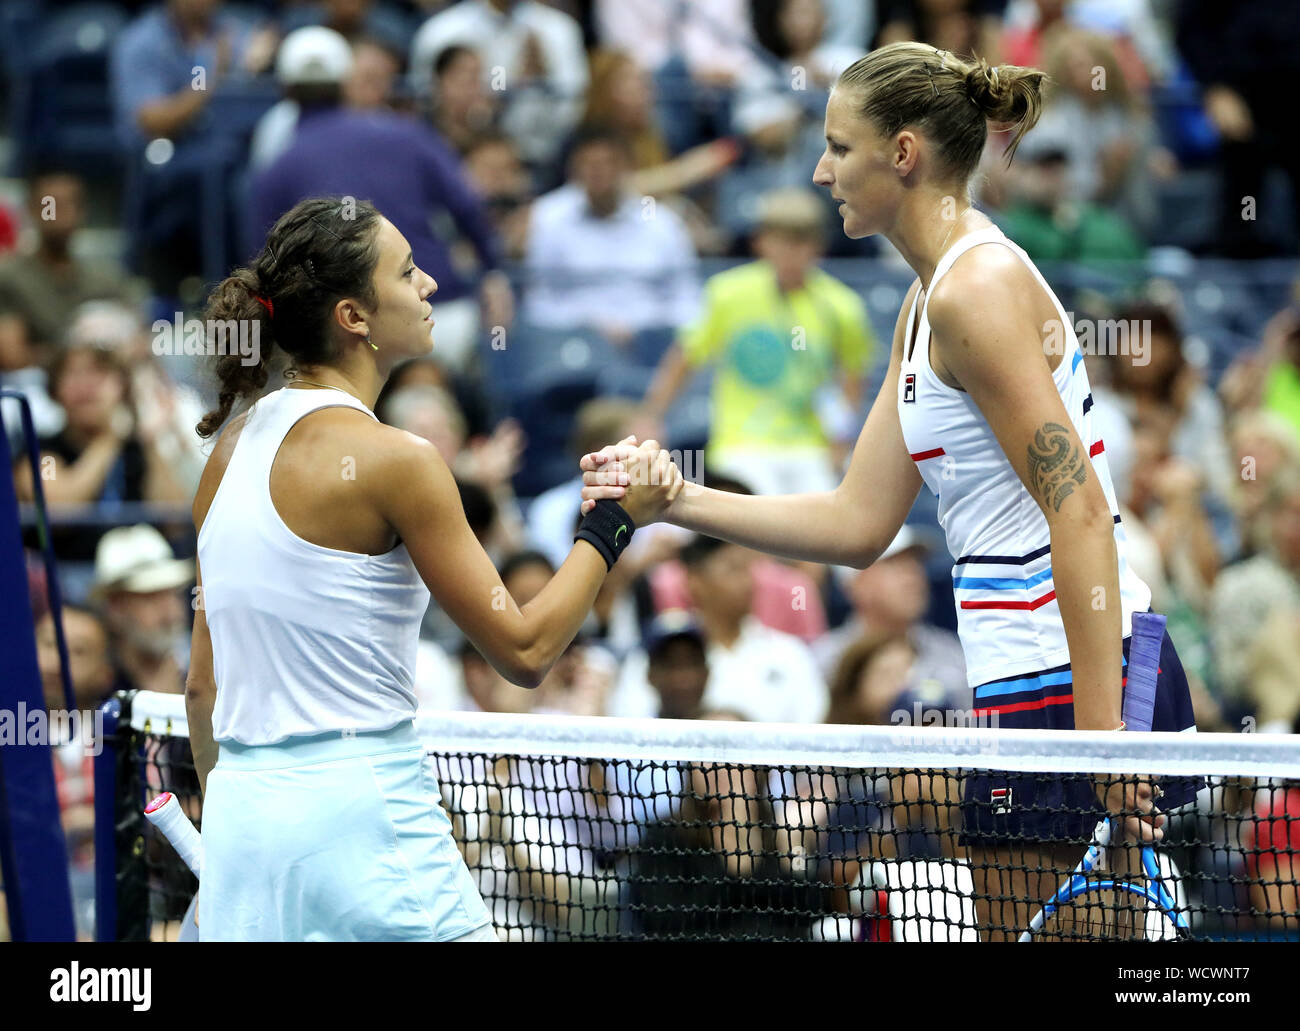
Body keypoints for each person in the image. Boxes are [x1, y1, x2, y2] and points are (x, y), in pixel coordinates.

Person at [582, 43, 1197, 941]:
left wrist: (1097, 735)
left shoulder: (973, 291)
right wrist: (676, 499)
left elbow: (1080, 511)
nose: (821, 170)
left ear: (902, 153)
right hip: (1033, 673)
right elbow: (856, 521)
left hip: (1069, 676)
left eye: (838, 146)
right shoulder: (927, 299)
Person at [183, 196, 683, 941]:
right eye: (408, 272)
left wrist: (236, 824)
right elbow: (525, 650)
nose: (431, 287)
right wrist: (614, 520)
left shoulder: (226, 452)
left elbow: (202, 690)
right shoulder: (401, 461)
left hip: (243, 825)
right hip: (363, 813)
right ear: (354, 317)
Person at [638, 187, 874, 496]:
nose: (790, 253)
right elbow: (685, 359)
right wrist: (650, 419)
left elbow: (852, 378)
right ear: (761, 242)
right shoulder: (726, 293)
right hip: (741, 443)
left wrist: (840, 444)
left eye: (800, 242)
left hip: (810, 447)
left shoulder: (842, 306)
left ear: (817, 246)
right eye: (780, 240)